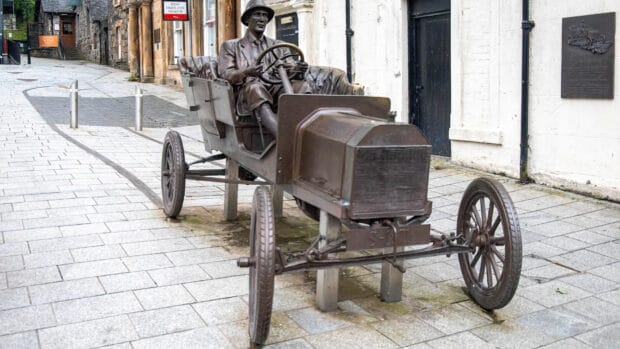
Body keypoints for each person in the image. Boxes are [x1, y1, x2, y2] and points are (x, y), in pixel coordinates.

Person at [218, 0, 310, 137]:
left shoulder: (278, 45)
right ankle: (283, 137)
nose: (262, 19)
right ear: (247, 19)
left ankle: (307, 131)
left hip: (276, 87)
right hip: (247, 93)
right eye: (257, 14)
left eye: (265, 15)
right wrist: (246, 72)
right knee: (255, 88)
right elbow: (226, 74)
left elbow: (290, 68)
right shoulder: (231, 46)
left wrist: (298, 69)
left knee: (302, 86)